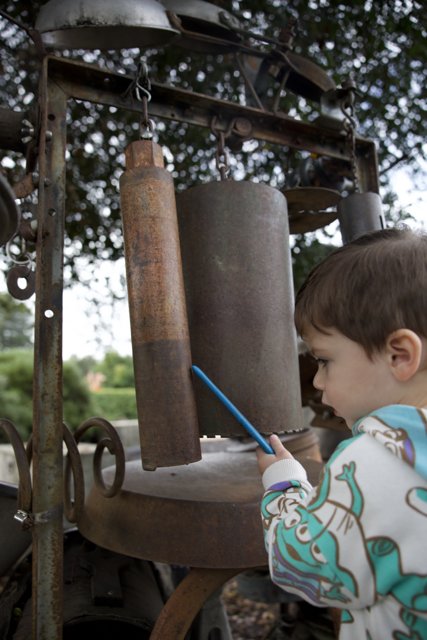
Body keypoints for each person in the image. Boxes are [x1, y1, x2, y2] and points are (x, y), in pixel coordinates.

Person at [256, 226, 427, 639]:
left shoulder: (374, 463)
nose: (316, 381)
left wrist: (283, 486)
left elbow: (302, 567)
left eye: (326, 360)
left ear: (398, 355)